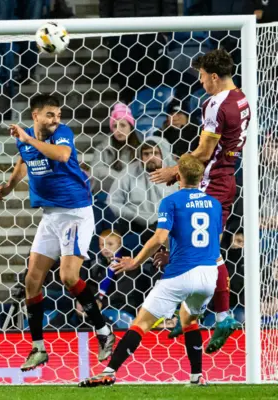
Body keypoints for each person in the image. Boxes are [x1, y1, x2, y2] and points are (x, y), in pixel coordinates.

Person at [0, 93, 114, 372]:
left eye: (57, 114)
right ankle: (38, 348)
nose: (55, 119)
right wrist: (9, 186)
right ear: (35, 115)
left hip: (75, 212)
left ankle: (103, 330)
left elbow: (63, 155)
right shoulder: (25, 140)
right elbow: (23, 161)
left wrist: (28, 139)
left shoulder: (62, 133)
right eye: (50, 114)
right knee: (32, 280)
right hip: (50, 215)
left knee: (68, 276)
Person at [79, 154, 221, 387]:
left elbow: (160, 237)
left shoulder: (171, 201)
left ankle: (109, 371)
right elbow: (211, 240)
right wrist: (173, 253)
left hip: (181, 274)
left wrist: (134, 261)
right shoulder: (214, 204)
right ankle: (197, 377)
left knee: (141, 323)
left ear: (178, 175)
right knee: (188, 319)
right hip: (208, 274)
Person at [151, 48, 248, 352]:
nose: (201, 82)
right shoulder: (241, 98)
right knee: (194, 246)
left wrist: (174, 171)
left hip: (213, 183)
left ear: (215, 77)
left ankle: (222, 317)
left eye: (203, 76)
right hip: (226, 177)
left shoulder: (216, 104)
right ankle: (192, 313)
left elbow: (205, 154)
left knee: (209, 253)